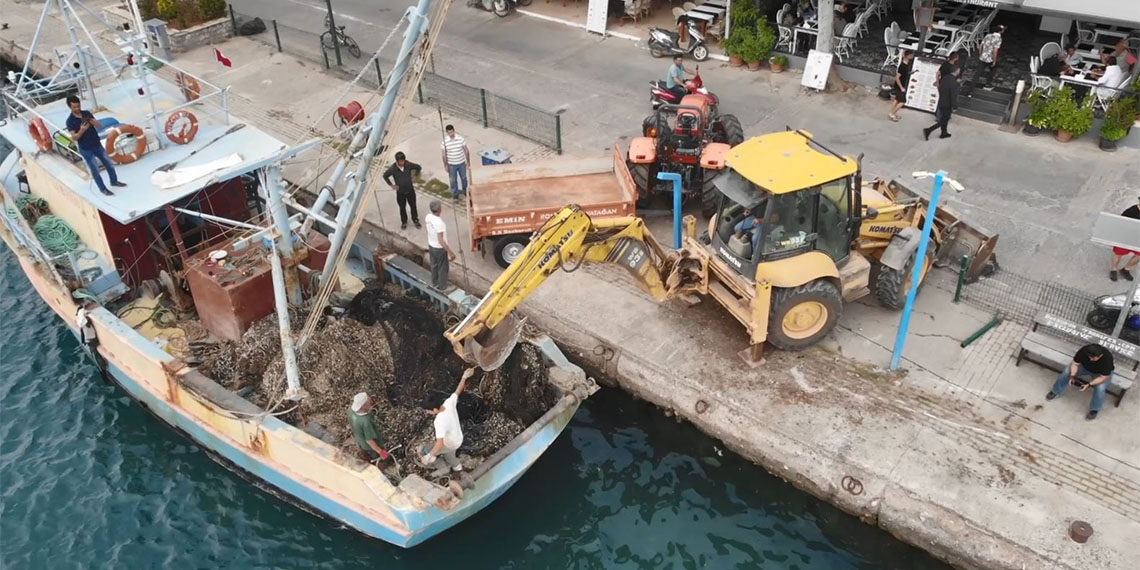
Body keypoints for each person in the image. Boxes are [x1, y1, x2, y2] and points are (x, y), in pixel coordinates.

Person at [65, 95, 126, 196]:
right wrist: (81, 130)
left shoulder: (86, 113)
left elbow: (99, 126)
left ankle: (114, 181)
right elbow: (74, 137)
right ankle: (103, 189)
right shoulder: (70, 121)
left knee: (109, 163)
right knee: (95, 170)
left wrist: (93, 121)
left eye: (78, 106)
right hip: (86, 148)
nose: (77, 108)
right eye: (74, 107)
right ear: (70, 107)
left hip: (96, 143)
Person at [421, 367, 476, 475]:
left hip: (450, 443)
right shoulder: (448, 403)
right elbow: (458, 391)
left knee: (425, 449)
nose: (428, 412)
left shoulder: (439, 422)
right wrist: (464, 377)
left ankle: (442, 469)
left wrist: (429, 456)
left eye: (429, 411)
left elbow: (439, 444)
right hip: (458, 438)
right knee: (450, 454)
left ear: (435, 409)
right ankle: (458, 468)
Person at [1046, 343, 1114, 420]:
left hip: (1099, 373)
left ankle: (1094, 409)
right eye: (1089, 357)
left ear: (1100, 356)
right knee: (1066, 372)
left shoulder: (1107, 358)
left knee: (1100, 388)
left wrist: (1089, 384)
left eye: (1093, 358)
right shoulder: (1085, 350)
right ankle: (1055, 391)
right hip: (1084, 367)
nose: (1091, 359)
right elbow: (1075, 364)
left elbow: (1102, 377)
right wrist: (1072, 376)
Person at [923, 52, 960, 140]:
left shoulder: (945, 77)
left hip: (943, 93)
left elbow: (938, 75)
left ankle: (944, 132)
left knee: (944, 116)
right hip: (947, 99)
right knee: (944, 119)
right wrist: (954, 106)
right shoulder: (952, 80)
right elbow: (953, 95)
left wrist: (938, 83)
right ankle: (929, 130)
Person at [383, 151, 422, 230]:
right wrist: (391, 185)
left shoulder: (408, 164)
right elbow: (385, 176)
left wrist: (415, 176)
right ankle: (404, 222)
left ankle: (415, 220)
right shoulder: (393, 169)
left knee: (413, 206)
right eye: (401, 161)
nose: (402, 162)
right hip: (400, 192)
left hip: (410, 190)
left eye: (403, 161)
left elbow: (418, 167)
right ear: (397, 161)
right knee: (402, 207)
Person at [349, 392, 391, 464]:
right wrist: (380, 452)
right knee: (380, 459)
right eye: (368, 402)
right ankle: (382, 465)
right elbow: (369, 441)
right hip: (370, 447)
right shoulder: (366, 421)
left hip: (360, 439)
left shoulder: (351, 410)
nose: (370, 402)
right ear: (363, 406)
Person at [425, 200, 456, 291]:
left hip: (431, 245)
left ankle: (434, 282)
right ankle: (443, 286)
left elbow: (428, 230)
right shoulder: (440, 223)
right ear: (439, 209)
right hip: (439, 248)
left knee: (434, 265)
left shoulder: (428, 217)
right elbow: (441, 240)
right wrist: (450, 253)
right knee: (443, 267)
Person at [1109, 197, 1140, 282]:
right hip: (1125, 237)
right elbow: (1120, 223)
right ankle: (1114, 270)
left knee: (1138, 256)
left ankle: (1126, 269)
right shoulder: (1131, 211)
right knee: (1118, 254)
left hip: (1138, 239)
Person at [440, 125, 469, 201]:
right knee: (453, 180)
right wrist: (445, 165)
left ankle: (465, 191)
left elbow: (466, 150)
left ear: (454, 130)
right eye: (449, 133)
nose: (451, 134)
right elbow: (443, 155)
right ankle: (455, 195)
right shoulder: (444, 142)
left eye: (452, 132)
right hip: (451, 164)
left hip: (461, 163)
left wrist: (468, 161)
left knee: (464, 178)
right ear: (446, 132)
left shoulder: (460, 139)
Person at [974, 24, 1004, 90]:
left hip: (982, 57)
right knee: (993, 70)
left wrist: (980, 54)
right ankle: (987, 84)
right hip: (990, 58)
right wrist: (994, 61)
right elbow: (995, 51)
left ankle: (971, 88)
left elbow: (981, 45)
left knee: (977, 73)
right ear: (1001, 31)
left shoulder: (988, 35)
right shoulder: (998, 39)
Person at [889, 50, 914, 122]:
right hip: (900, 86)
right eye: (911, 55)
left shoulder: (906, 65)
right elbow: (897, 77)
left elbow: (904, 74)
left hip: (900, 85)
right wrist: (901, 88)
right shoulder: (903, 66)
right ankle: (892, 113)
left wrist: (910, 73)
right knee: (903, 101)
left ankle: (892, 112)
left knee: (897, 99)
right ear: (907, 56)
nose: (912, 56)